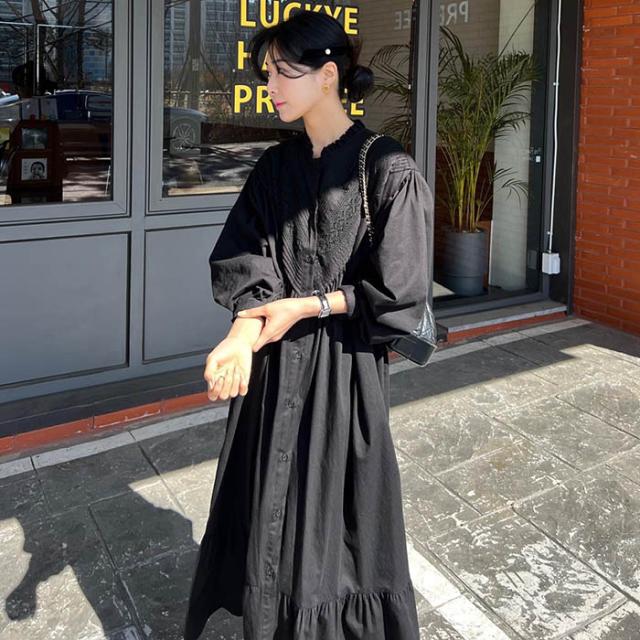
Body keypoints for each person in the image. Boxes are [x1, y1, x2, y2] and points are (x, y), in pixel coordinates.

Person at [183, 9, 433, 640]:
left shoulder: (388, 169)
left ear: (327, 76)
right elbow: (247, 257)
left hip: (344, 377)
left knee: (334, 521)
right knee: (270, 505)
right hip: (273, 376)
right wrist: (240, 336)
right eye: (266, 72)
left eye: (282, 72)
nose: (270, 85)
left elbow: (402, 292)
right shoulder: (276, 167)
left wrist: (310, 306)